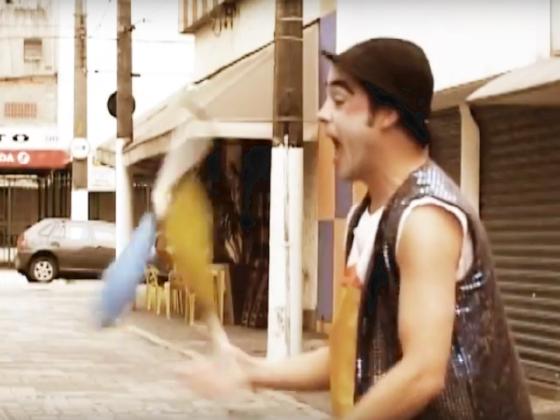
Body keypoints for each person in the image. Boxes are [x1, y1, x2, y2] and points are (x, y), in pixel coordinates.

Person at [182, 38, 533, 420]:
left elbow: (422, 373)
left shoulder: (425, 220)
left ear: (387, 113)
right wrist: (252, 371)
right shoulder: (363, 219)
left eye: (339, 99)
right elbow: (348, 356)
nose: (322, 113)